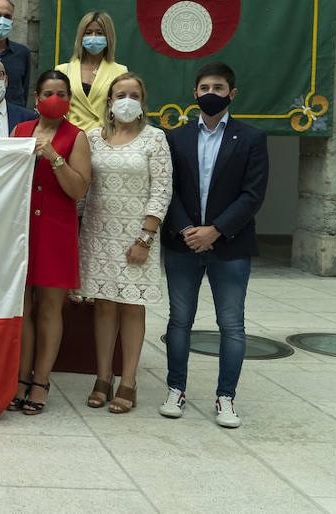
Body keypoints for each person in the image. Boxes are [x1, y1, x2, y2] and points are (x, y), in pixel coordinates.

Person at [160, 62, 268, 429]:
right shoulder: (176, 138)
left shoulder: (251, 138)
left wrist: (216, 230)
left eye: (219, 87)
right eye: (204, 86)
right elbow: (166, 188)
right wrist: (188, 228)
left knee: (232, 325)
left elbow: (252, 195)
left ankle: (226, 396)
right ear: (194, 92)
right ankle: (176, 389)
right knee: (179, 321)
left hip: (230, 247)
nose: (211, 93)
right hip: (183, 243)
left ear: (231, 94)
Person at [79, 73, 172, 414]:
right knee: (103, 305)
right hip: (98, 232)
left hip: (137, 236)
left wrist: (145, 237)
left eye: (134, 94)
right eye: (121, 94)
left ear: (142, 101)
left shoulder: (154, 139)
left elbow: (162, 189)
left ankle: (128, 381)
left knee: (132, 307)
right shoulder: (92, 139)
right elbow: (83, 186)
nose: (127, 100)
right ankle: (103, 377)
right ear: (109, 102)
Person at [9, 70, 91, 415]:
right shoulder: (20, 131)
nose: (54, 98)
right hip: (22, 227)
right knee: (23, 306)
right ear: (36, 98)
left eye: (61, 92)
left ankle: (41, 380)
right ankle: (20, 377)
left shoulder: (78, 137)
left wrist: (54, 158)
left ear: (69, 100)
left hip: (56, 229)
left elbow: (78, 189)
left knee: (49, 308)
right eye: (48, 92)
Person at [55, 10, 128, 131]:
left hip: (104, 138)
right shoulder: (62, 70)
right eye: (88, 33)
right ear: (81, 37)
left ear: (108, 37)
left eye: (99, 33)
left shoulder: (120, 71)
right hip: (71, 137)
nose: (93, 37)